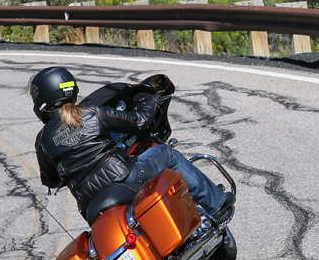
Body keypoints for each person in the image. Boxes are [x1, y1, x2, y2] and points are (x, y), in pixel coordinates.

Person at [29, 66, 235, 222]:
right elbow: (138, 121)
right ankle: (216, 204)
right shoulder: (90, 112)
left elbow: (51, 181)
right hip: (124, 177)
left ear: (42, 100)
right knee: (167, 153)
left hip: (89, 204)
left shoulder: (42, 139)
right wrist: (151, 99)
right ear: (70, 90)